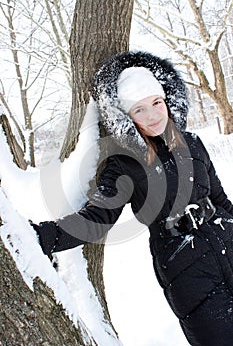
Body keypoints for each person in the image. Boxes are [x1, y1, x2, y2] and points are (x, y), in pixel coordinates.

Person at [32, 51, 233, 346]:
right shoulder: (124, 164)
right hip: (189, 273)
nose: (153, 116)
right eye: (139, 110)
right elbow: (96, 220)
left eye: (156, 103)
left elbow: (221, 200)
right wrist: (40, 236)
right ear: (126, 116)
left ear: (168, 100)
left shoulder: (192, 143)